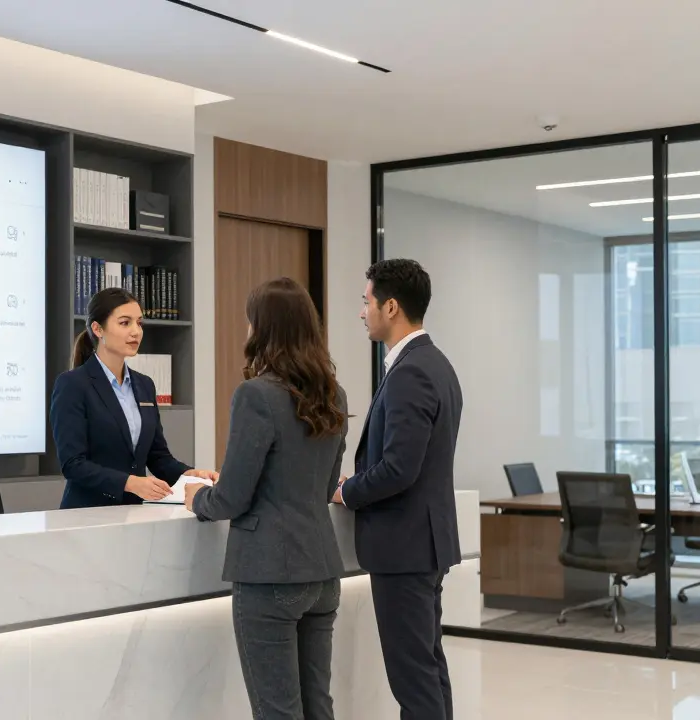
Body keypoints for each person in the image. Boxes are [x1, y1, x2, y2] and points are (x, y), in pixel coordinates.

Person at [184, 277, 348, 720]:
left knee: (278, 711)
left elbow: (232, 498)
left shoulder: (256, 395)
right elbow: (327, 484)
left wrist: (198, 497)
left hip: (270, 574)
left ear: (263, 328)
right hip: (323, 575)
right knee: (318, 707)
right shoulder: (334, 394)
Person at [334, 259, 462, 720]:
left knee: (413, 678)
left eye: (365, 302)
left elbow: (399, 469)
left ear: (390, 307)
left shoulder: (411, 370)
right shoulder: (434, 362)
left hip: (405, 548)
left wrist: (347, 492)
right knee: (427, 669)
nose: (361, 312)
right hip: (422, 545)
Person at [49, 287, 216, 509]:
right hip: (87, 514)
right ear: (98, 329)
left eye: (139, 323)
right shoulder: (72, 384)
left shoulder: (144, 385)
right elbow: (73, 464)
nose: (136, 331)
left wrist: (189, 474)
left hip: (135, 513)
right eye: (125, 323)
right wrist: (129, 483)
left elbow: (158, 458)